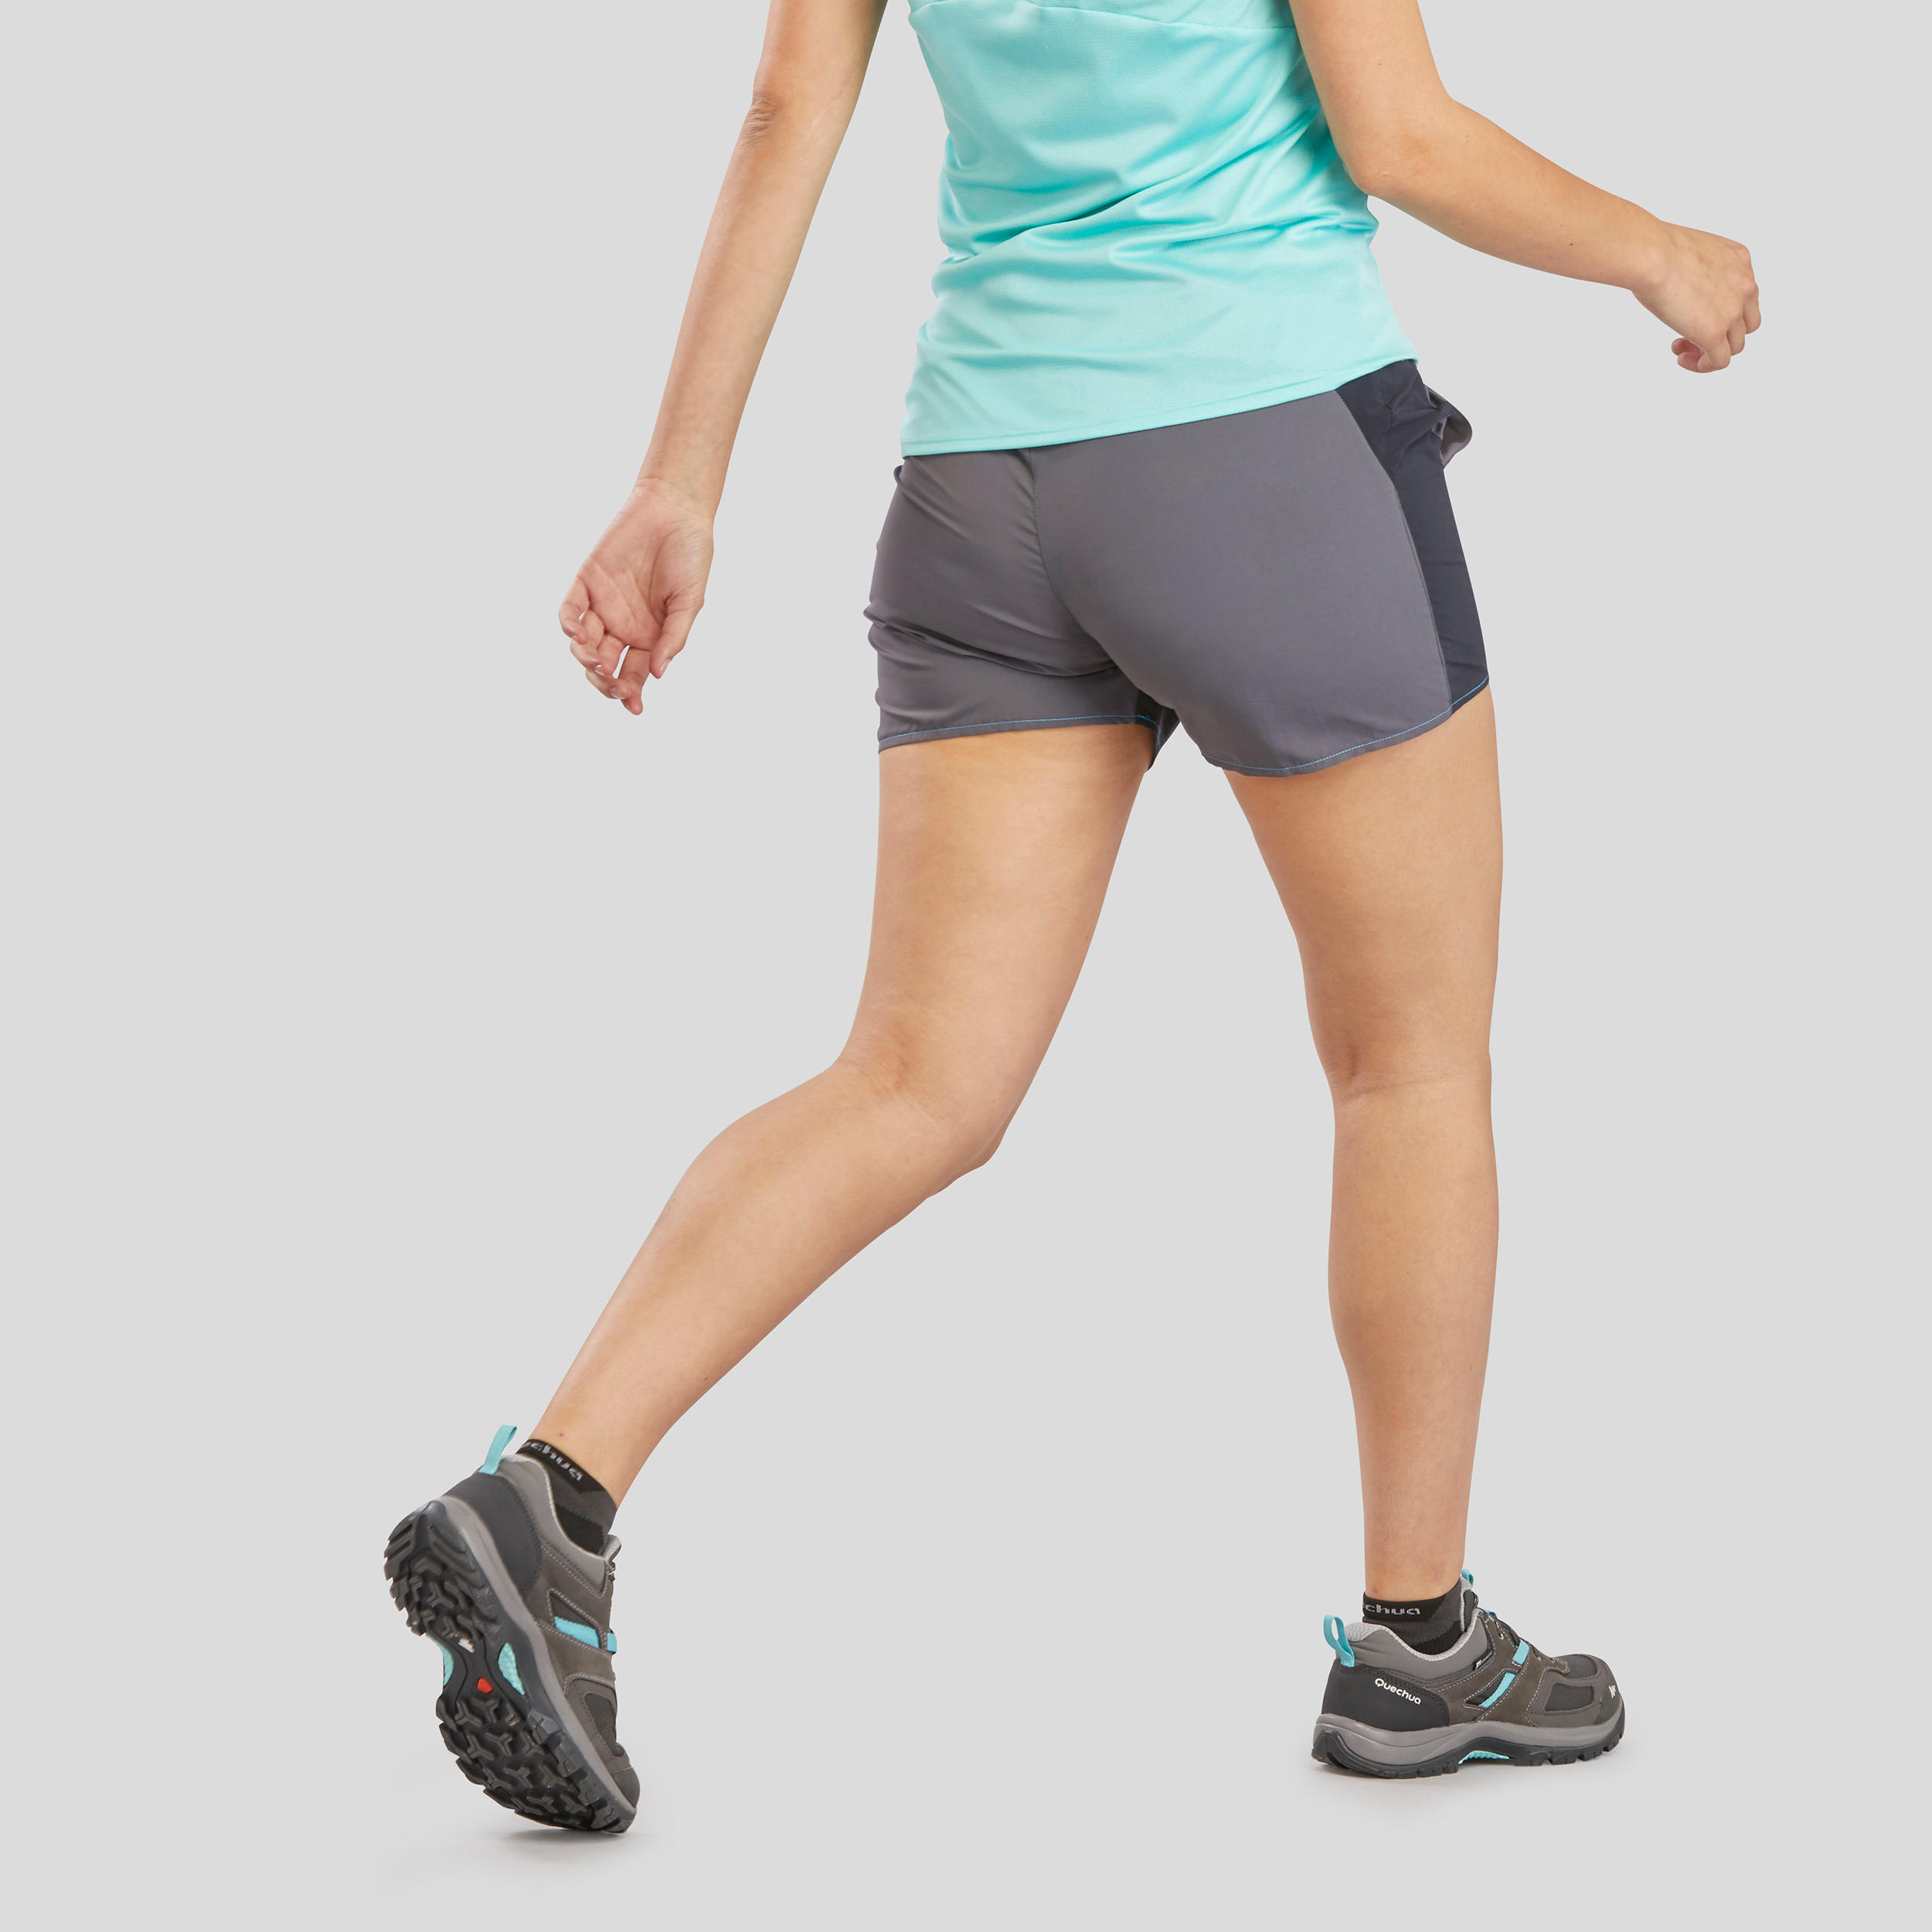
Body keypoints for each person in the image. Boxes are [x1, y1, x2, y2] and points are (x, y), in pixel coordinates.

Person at [384, 0, 1758, 1825]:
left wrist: (675, 486)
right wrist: (1664, 255)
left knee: (909, 1080)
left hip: (987, 487)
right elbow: (1399, 135)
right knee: (1407, 1063)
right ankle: (1420, 1646)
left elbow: (788, 107)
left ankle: (552, 1492)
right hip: (1265, 449)